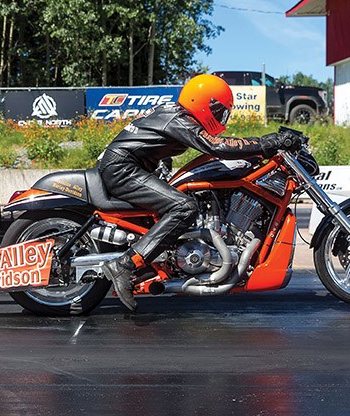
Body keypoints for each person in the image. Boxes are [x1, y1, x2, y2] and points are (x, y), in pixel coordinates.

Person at [97, 73, 301, 312]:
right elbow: (217, 146)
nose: (220, 117)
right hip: (123, 169)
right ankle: (126, 264)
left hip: (128, 166)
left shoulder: (175, 114)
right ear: (205, 103)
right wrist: (267, 143)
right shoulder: (178, 119)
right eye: (219, 111)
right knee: (184, 207)